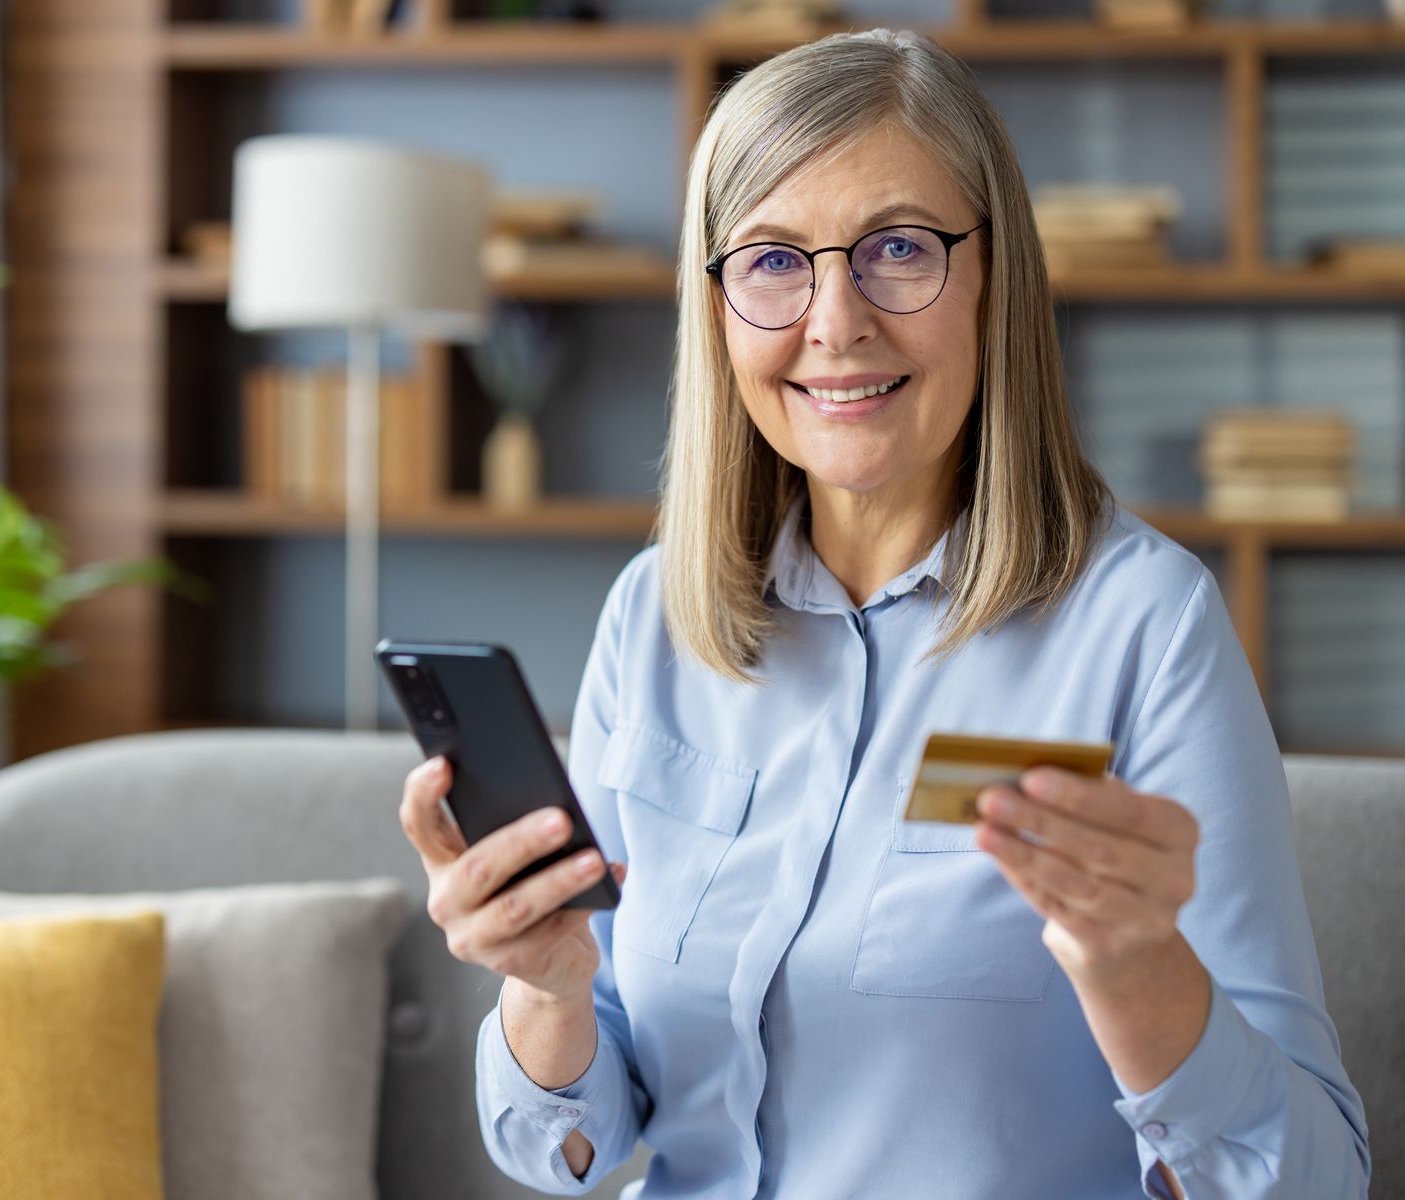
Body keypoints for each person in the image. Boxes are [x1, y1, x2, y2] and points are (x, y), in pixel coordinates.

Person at [396, 27, 1370, 1199]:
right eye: (769, 261)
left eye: (897, 249)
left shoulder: (1143, 627)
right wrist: (546, 985)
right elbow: (570, 1148)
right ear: (712, 307)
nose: (834, 321)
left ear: (993, 277)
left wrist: (1135, 966)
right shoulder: (652, 613)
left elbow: (1310, 1176)